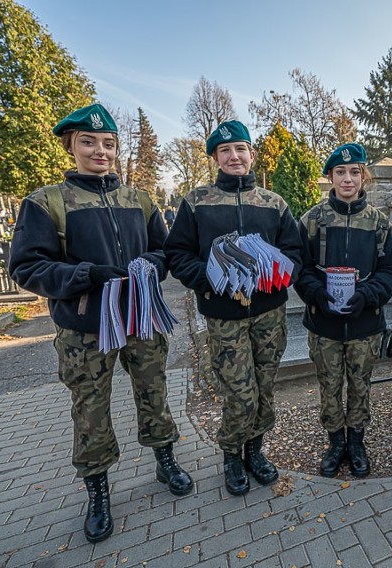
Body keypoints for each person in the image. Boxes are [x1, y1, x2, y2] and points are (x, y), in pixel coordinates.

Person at [9, 103, 192, 544]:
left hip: (140, 320)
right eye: (89, 142)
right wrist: (85, 275)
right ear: (71, 146)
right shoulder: (46, 202)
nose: (100, 151)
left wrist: (151, 260)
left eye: (108, 143)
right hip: (85, 330)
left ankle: (165, 461)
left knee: (154, 394)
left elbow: (163, 251)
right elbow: (27, 267)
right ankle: (98, 491)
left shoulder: (139, 199)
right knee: (90, 411)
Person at [164, 120, 303, 496]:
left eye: (240, 149)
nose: (234, 156)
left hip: (269, 313)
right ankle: (231, 455)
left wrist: (272, 272)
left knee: (264, 387)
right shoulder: (197, 202)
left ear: (252, 154)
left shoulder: (274, 203)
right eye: (225, 151)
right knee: (239, 393)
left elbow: (295, 253)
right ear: (215, 158)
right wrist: (212, 278)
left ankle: (256, 452)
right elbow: (177, 254)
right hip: (223, 315)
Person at [295, 143, 392, 478]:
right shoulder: (312, 220)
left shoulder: (378, 222)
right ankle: (335, 442)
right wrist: (316, 293)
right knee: (329, 386)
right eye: (340, 172)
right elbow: (300, 267)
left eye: (355, 171)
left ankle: (357, 442)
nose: (347, 178)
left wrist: (368, 294)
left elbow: (391, 268)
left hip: (364, 323)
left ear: (364, 177)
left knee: (360, 385)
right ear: (330, 176)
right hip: (323, 322)